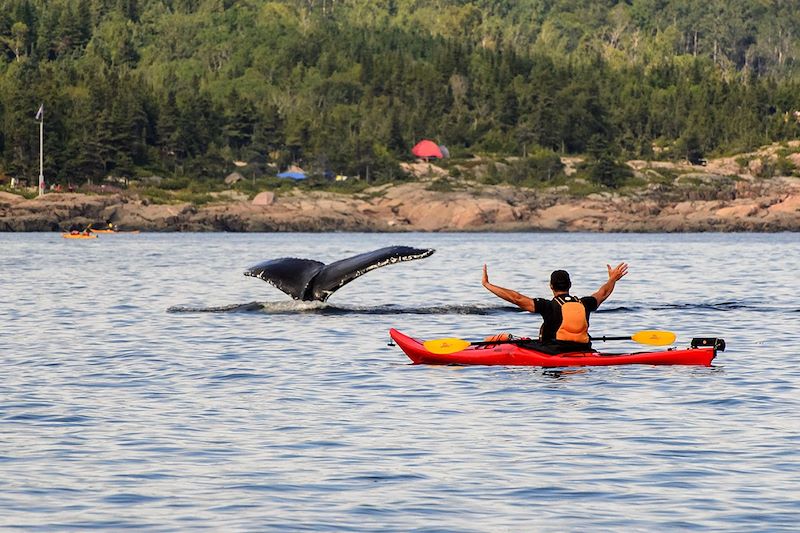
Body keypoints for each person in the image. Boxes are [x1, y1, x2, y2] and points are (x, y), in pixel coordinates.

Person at [481, 262, 629, 352]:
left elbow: (516, 298)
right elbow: (603, 293)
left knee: (506, 338)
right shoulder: (584, 303)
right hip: (582, 349)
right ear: (570, 285)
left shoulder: (548, 306)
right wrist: (613, 279)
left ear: (551, 286)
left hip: (553, 351)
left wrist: (488, 285)